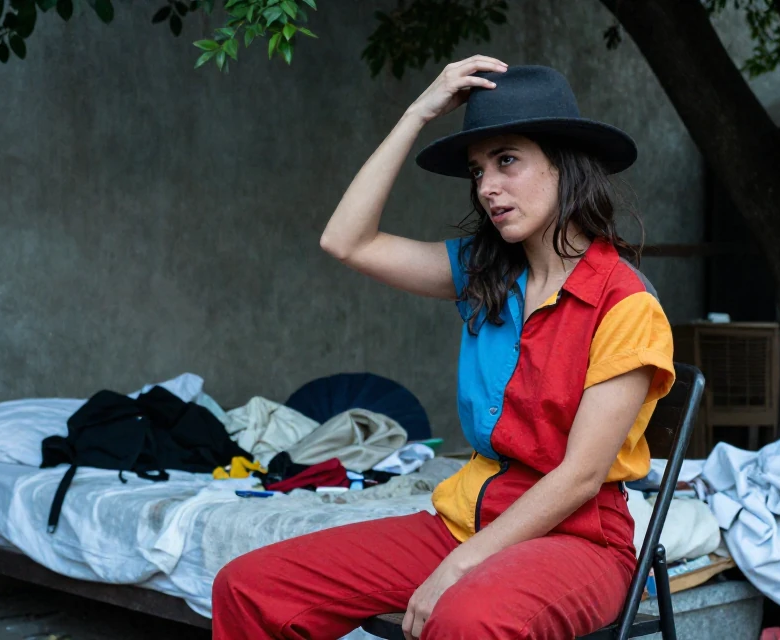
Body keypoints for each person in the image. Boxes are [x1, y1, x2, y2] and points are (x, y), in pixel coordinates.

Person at [211, 56, 676, 640]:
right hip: (465, 520)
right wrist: (416, 114)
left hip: (577, 540)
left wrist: (459, 565)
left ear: (565, 164)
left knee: (466, 619)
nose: (487, 187)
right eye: (478, 170)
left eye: (507, 161)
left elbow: (580, 477)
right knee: (248, 587)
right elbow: (345, 240)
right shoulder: (484, 274)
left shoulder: (625, 303)